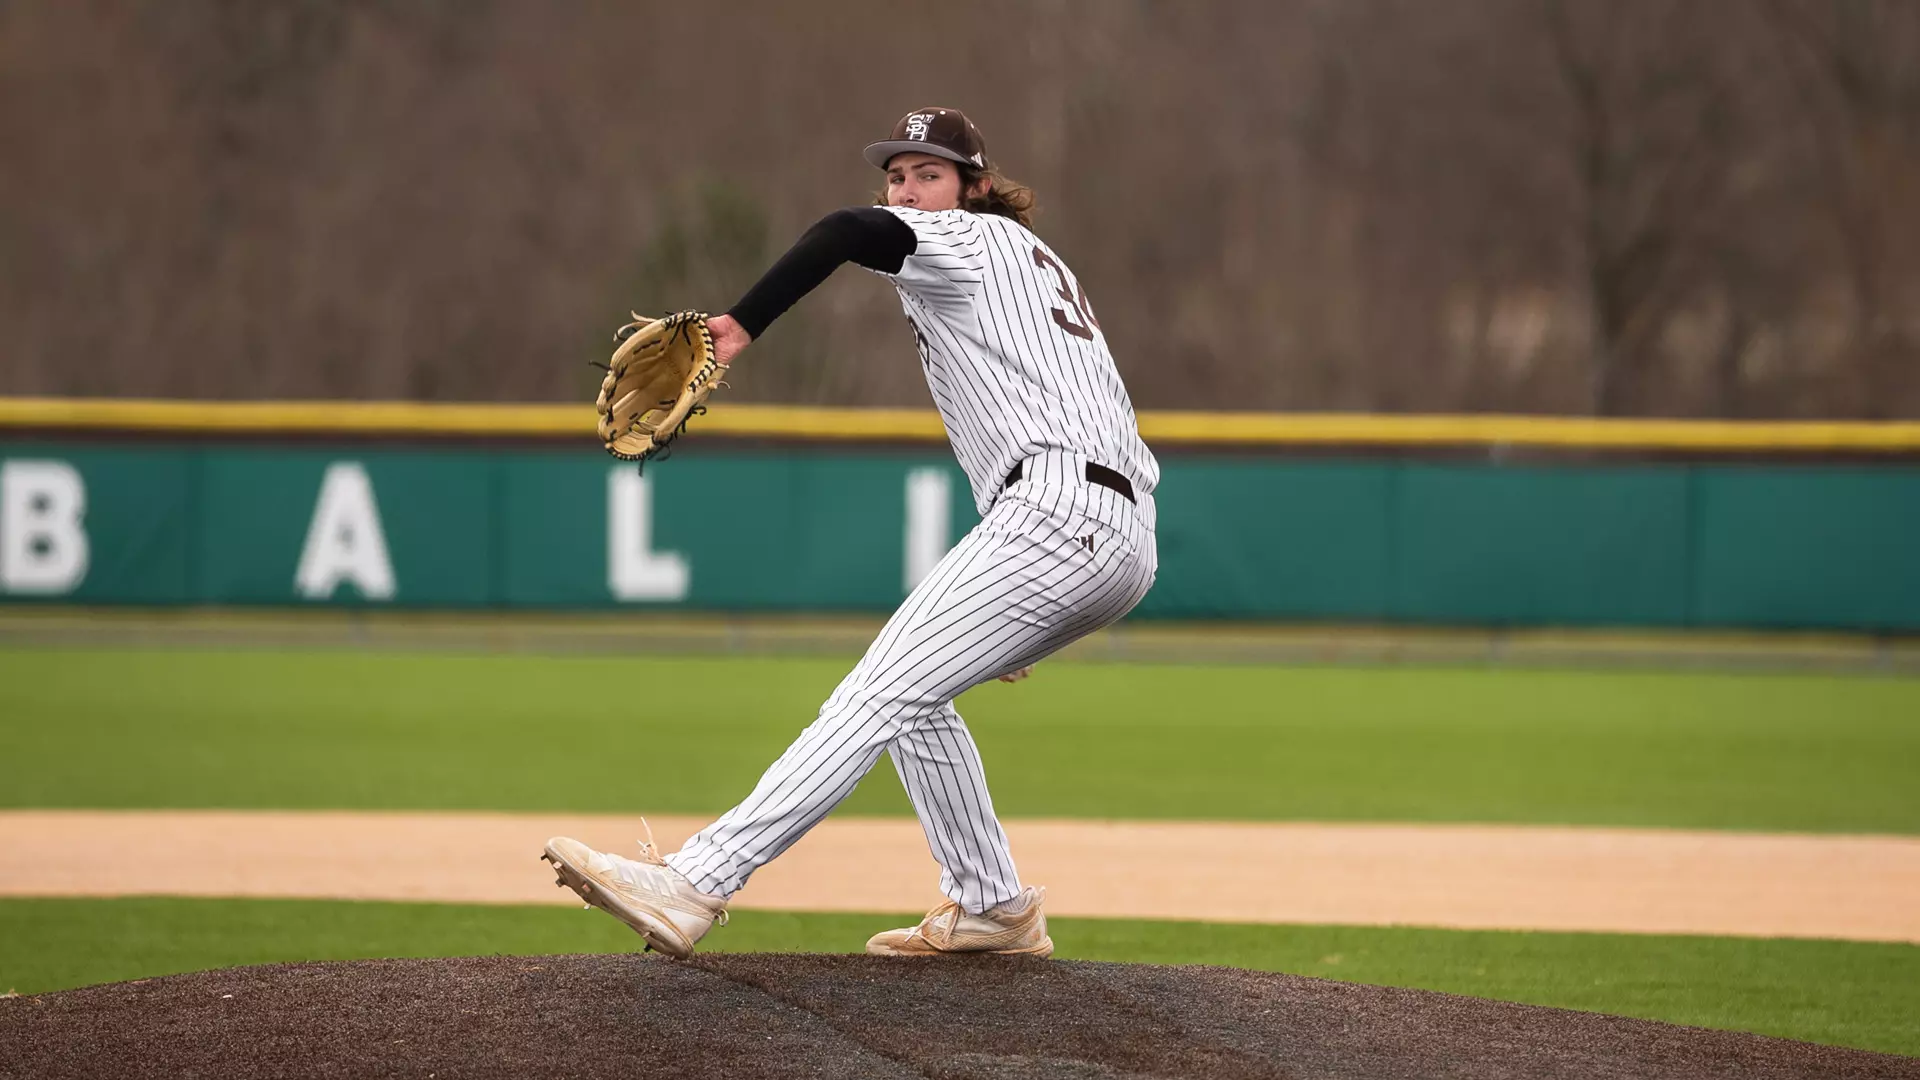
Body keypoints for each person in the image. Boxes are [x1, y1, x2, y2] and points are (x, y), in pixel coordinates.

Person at [543, 107, 1159, 959]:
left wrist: (740, 323)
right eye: (898, 177)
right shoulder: (1027, 266)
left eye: (929, 176)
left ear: (975, 188)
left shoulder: (971, 242)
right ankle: (993, 907)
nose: (907, 192)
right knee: (915, 697)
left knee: (873, 695)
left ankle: (695, 882)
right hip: (1109, 526)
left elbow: (840, 231)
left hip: (1057, 511)